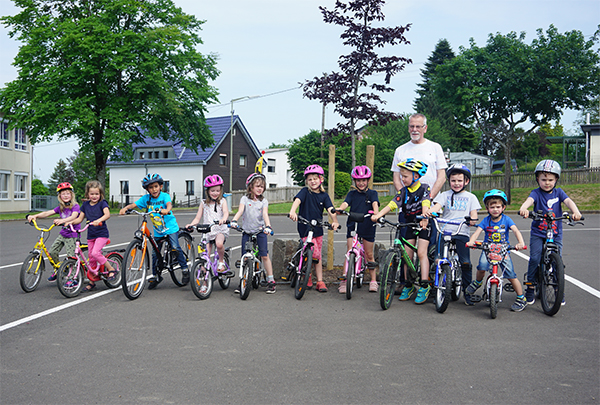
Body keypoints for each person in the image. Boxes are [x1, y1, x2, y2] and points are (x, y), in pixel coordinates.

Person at [518, 160, 582, 306]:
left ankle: (558, 289)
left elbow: (569, 202)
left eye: (550, 180)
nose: (547, 183)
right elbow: (529, 201)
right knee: (534, 258)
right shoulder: (536, 193)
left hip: (555, 233)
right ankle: (530, 286)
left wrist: (576, 212)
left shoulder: (559, 192)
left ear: (556, 179)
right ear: (537, 179)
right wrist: (524, 208)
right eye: (543, 179)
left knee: (556, 259)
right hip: (538, 233)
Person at [372, 159, 432, 304]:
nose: (402, 179)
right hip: (409, 224)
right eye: (401, 176)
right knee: (407, 255)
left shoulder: (424, 188)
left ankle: (424, 285)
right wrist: (379, 215)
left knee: (422, 253)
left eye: (405, 176)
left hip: (423, 224)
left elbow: (426, 202)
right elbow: (393, 203)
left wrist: (425, 217)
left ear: (416, 177)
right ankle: (409, 285)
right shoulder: (403, 191)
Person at [119, 173, 189, 289]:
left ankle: (185, 269)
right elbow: (134, 204)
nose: (154, 189)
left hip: (170, 228)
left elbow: (169, 204)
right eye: (151, 187)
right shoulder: (146, 199)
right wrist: (126, 208)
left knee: (175, 247)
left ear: (160, 186)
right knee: (155, 253)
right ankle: (156, 275)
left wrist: (167, 210)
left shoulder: (164, 196)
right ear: (147, 189)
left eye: (156, 186)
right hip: (158, 231)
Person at [466, 189, 527, 312]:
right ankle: (478, 282)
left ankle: (521, 298)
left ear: (503, 207)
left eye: (498, 206)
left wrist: (521, 243)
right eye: (492, 207)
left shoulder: (507, 220)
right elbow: (477, 232)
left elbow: (515, 230)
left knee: (511, 275)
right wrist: (472, 241)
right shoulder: (486, 221)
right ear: (487, 208)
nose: (495, 209)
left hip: (503, 250)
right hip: (488, 249)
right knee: (482, 266)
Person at [429, 164, 480, 305]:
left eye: (459, 180)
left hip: (461, 231)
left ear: (466, 181)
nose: (456, 184)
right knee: (437, 259)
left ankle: (467, 291)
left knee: (465, 262)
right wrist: (430, 211)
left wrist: (472, 220)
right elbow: (437, 206)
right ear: (449, 181)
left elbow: (473, 214)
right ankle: (437, 288)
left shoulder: (471, 197)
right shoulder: (445, 195)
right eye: (453, 180)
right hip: (445, 230)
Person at [289, 164, 340, 293]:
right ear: (307, 181)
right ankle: (308, 276)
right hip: (305, 226)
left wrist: (335, 221)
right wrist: (293, 211)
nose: (312, 181)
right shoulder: (305, 192)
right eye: (310, 179)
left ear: (321, 179)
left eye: (315, 178)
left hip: (317, 228)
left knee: (317, 257)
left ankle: (320, 281)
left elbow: (330, 209)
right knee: (313, 253)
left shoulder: (324, 195)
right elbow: (297, 201)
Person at [336, 165, 380, 293]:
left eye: (364, 180)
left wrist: (376, 214)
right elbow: (345, 203)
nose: (361, 183)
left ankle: (373, 280)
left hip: (368, 224)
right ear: (354, 181)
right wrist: (340, 209)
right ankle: (345, 280)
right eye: (358, 180)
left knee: (369, 254)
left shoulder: (372, 193)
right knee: (349, 252)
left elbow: (375, 204)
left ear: (368, 181)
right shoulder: (352, 194)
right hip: (353, 224)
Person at [230, 173, 276, 294]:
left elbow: (265, 214)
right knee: (244, 257)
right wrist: (234, 220)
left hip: (260, 231)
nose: (260, 188)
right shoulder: (244, 199)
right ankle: (243, 281)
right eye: (257, 186)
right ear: (250, 187)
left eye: (262, 186)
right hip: (247, 231)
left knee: (264, 255)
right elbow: (240, 211)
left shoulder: (263, 201)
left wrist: (268, 226)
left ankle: (271, 280)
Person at [27, 182, 80, 281]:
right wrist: (35, 216)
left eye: (68, 193)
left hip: (72, 234)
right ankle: (58, 269)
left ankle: (73, 278)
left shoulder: (75, 206)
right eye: (63, 194)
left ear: (71, 195)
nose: (65, 196)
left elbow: (74, 216)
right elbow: (48, 213)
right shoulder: (60, 207)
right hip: (63, 234)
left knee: (71, 257)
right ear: (60, 196)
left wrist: (63, 220)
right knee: (52, 252)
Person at [70, 180, 116, 291]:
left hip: (102, 234)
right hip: (91, 235)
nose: (94, 196)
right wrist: (69, 222)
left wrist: (98, 220)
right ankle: (92, 282)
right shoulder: (85, 205)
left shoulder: (102, 203)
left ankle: (111, 269)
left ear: (100, 194)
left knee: (95, 253)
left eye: (97, 194)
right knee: (91, 258)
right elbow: (80, 219)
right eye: (92, 194)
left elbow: (107, 214)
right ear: (87, 194)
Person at [391, 113, 447, 198]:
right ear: (408, 128)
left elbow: (442, 177)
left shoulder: (436, 147)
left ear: (425, 128)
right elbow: (396, 179)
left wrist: (429, 198)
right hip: (408, 207)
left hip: (432, 205)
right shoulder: (400, 150)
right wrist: (407, 199)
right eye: (411, 126)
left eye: (418, 127)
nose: (414, 129)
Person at [186, 174, 230, 277]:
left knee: (219, 244)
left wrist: (223, 219)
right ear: (207, 191)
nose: (215, 193)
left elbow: (226, 212)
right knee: (204, 256)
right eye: (212, 191)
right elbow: (197, 218)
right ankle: (205, 283)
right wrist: (192, 225)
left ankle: (221, 261)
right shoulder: (203, 203)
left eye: (217, 191)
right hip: (207, 232)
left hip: (219, 230)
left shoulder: (222, 201)